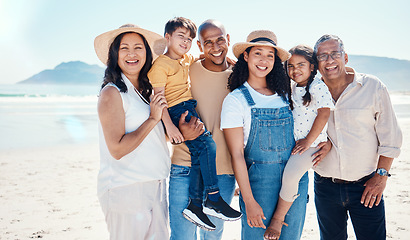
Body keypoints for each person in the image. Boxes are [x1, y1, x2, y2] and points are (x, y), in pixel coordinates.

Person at [148, 17, 241, 231]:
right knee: (182, 236)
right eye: (207, 42)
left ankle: (200, 203)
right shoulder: (174, 66)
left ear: (228, 39)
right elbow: (158, 101)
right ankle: (210, 200)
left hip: (223, 169)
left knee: (213, 236)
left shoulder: (237, 75)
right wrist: (172, 129)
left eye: (219, 41)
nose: (215, 47)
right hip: (183, 165)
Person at [221, 30, 309, 240]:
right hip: (258, 184)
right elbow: (237, 155)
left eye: (270, 55)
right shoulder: (236, 100)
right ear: (246, 56)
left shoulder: (287, 94)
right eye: (258, 53)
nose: (264, 60)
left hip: (295, 178)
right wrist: (249, 201)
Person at [313, 34, 403, 240]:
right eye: (322, 56)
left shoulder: (372, 86)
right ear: (316, 64)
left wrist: (381, 176)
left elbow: (391, 136)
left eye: (335, 54)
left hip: (366, 185)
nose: (329, 60)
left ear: (345, 58)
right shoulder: (311, 91)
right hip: (325, 186)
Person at [94, 24, 170, 239]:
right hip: (126, 188)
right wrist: (153, 118)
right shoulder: (112, 93)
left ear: (147, 53)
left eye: (138, 47)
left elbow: (154, 138)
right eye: (124, 48)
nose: (132, 54)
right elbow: (117, 149)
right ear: (114, 55)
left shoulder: (146, 92)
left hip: (156, 183)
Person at [264, 44, 334, 239]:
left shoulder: (317, 85)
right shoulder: (295, 88)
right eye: (291, 66)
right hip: (299, 145)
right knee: (288, 177)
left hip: (311, 146)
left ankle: (278, 219)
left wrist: (307, 141)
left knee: (291, 176)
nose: (295, 70)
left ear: (312, 66)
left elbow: (324, 113)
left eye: (301, 65)